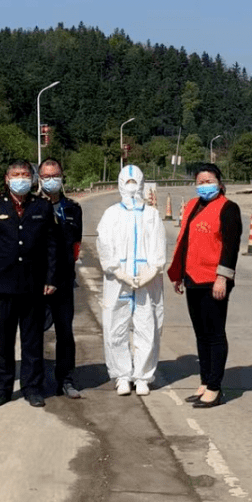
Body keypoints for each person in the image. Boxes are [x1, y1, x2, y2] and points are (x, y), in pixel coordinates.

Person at [0, 159, 58, 408]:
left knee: (32, 340)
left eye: (25, 174)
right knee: (4, 340)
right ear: (6, 178)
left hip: (34, 285)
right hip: (4, 285)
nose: (21, 178)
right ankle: (2, 389)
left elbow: (51, 247)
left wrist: (50, 278)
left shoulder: (42, 207)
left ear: (32, 179)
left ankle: (32, 387)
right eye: (16, 174)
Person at [167, 163, 242, 409]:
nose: (204, 185)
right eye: (200, 181)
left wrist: (223, 277)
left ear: (220, 183)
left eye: (209, 180)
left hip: (213, 280)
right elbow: (185, 242)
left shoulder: (228, 208)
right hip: (192, 278)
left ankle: (215, 387)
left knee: (215, 333)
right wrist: (178, 273)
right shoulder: (192, 205)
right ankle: (204, 380)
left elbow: (230, 247)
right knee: (201, 334)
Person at [95, 165, 166, 396]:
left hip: (148, 280)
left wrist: (152, 270)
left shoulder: (152, 214)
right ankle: (122, 375)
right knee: (116, 325)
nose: (132, 189)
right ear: (120, 184)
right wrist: (118, 271)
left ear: (143, 184)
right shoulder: (111, 214)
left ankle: (143, 376)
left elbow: (159, 245)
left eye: (136, 183)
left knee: (148, 325)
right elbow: (104, 245)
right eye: (128, 183)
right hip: (118, 280)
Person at [37, 158, 83, 399]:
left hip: (64, 282)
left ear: (62, 176)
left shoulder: (73, 209)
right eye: (46, 176)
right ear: (39, 178)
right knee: (34, 332)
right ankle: (35, 380)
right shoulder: (33, 206)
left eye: (55, 175)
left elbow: (76, 245)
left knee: (65, 332)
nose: (50, 180)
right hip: (36, 282)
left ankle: (65, 378)